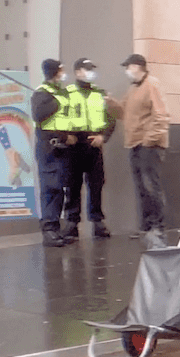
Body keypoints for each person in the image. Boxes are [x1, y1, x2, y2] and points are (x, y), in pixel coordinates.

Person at [57, 58, 116, 242]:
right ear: (77, 72)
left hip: (94, 143)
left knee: (96, 185)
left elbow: (111, 119)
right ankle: (72, 223)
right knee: (73, 185)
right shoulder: (67, 93)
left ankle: (97, 222)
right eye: (86, 69)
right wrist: (65, 137)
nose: (90, 73)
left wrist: (103, 137)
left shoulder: (100, 94)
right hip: (74, 145)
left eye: (92, 69)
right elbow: (59, 118)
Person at [119, 55, 170, 248]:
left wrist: (150, 139)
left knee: (151, 186)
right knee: (141, 187)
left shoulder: (152, 85)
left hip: (150, 145)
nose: (127, 71)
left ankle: (158, 226)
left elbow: (161, 114)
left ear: (138, 66)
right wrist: (109, 103)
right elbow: (122, 112)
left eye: (128, 66)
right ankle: (146, 226)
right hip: (134, 144)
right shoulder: (132, 88)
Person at [32, 59, 75, 247]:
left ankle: (56, 229)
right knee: (50, 189)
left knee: (59, 190)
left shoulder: (61, 93)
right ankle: (48, 230)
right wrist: (64, 137)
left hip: (62, 149)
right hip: (49, 148)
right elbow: (40, 118)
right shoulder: (42, 94)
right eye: (61, 70)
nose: (63, 74)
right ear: (54, 73)